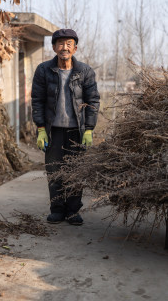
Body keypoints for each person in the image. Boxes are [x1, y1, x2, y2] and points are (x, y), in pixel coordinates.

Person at [31, 29, 100, 225]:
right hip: (53, 131)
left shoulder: (85, 72)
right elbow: (37, 100)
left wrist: (88, 129)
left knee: (75, 171)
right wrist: (41, 129)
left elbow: (93, 101)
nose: (64, 48)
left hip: (76, 132)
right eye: (60, 44)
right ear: (53, 47)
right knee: (54, 172)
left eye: (69, 44)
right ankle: (57, 209)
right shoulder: (43, 70)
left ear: (75, 48)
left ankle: (72, 211)